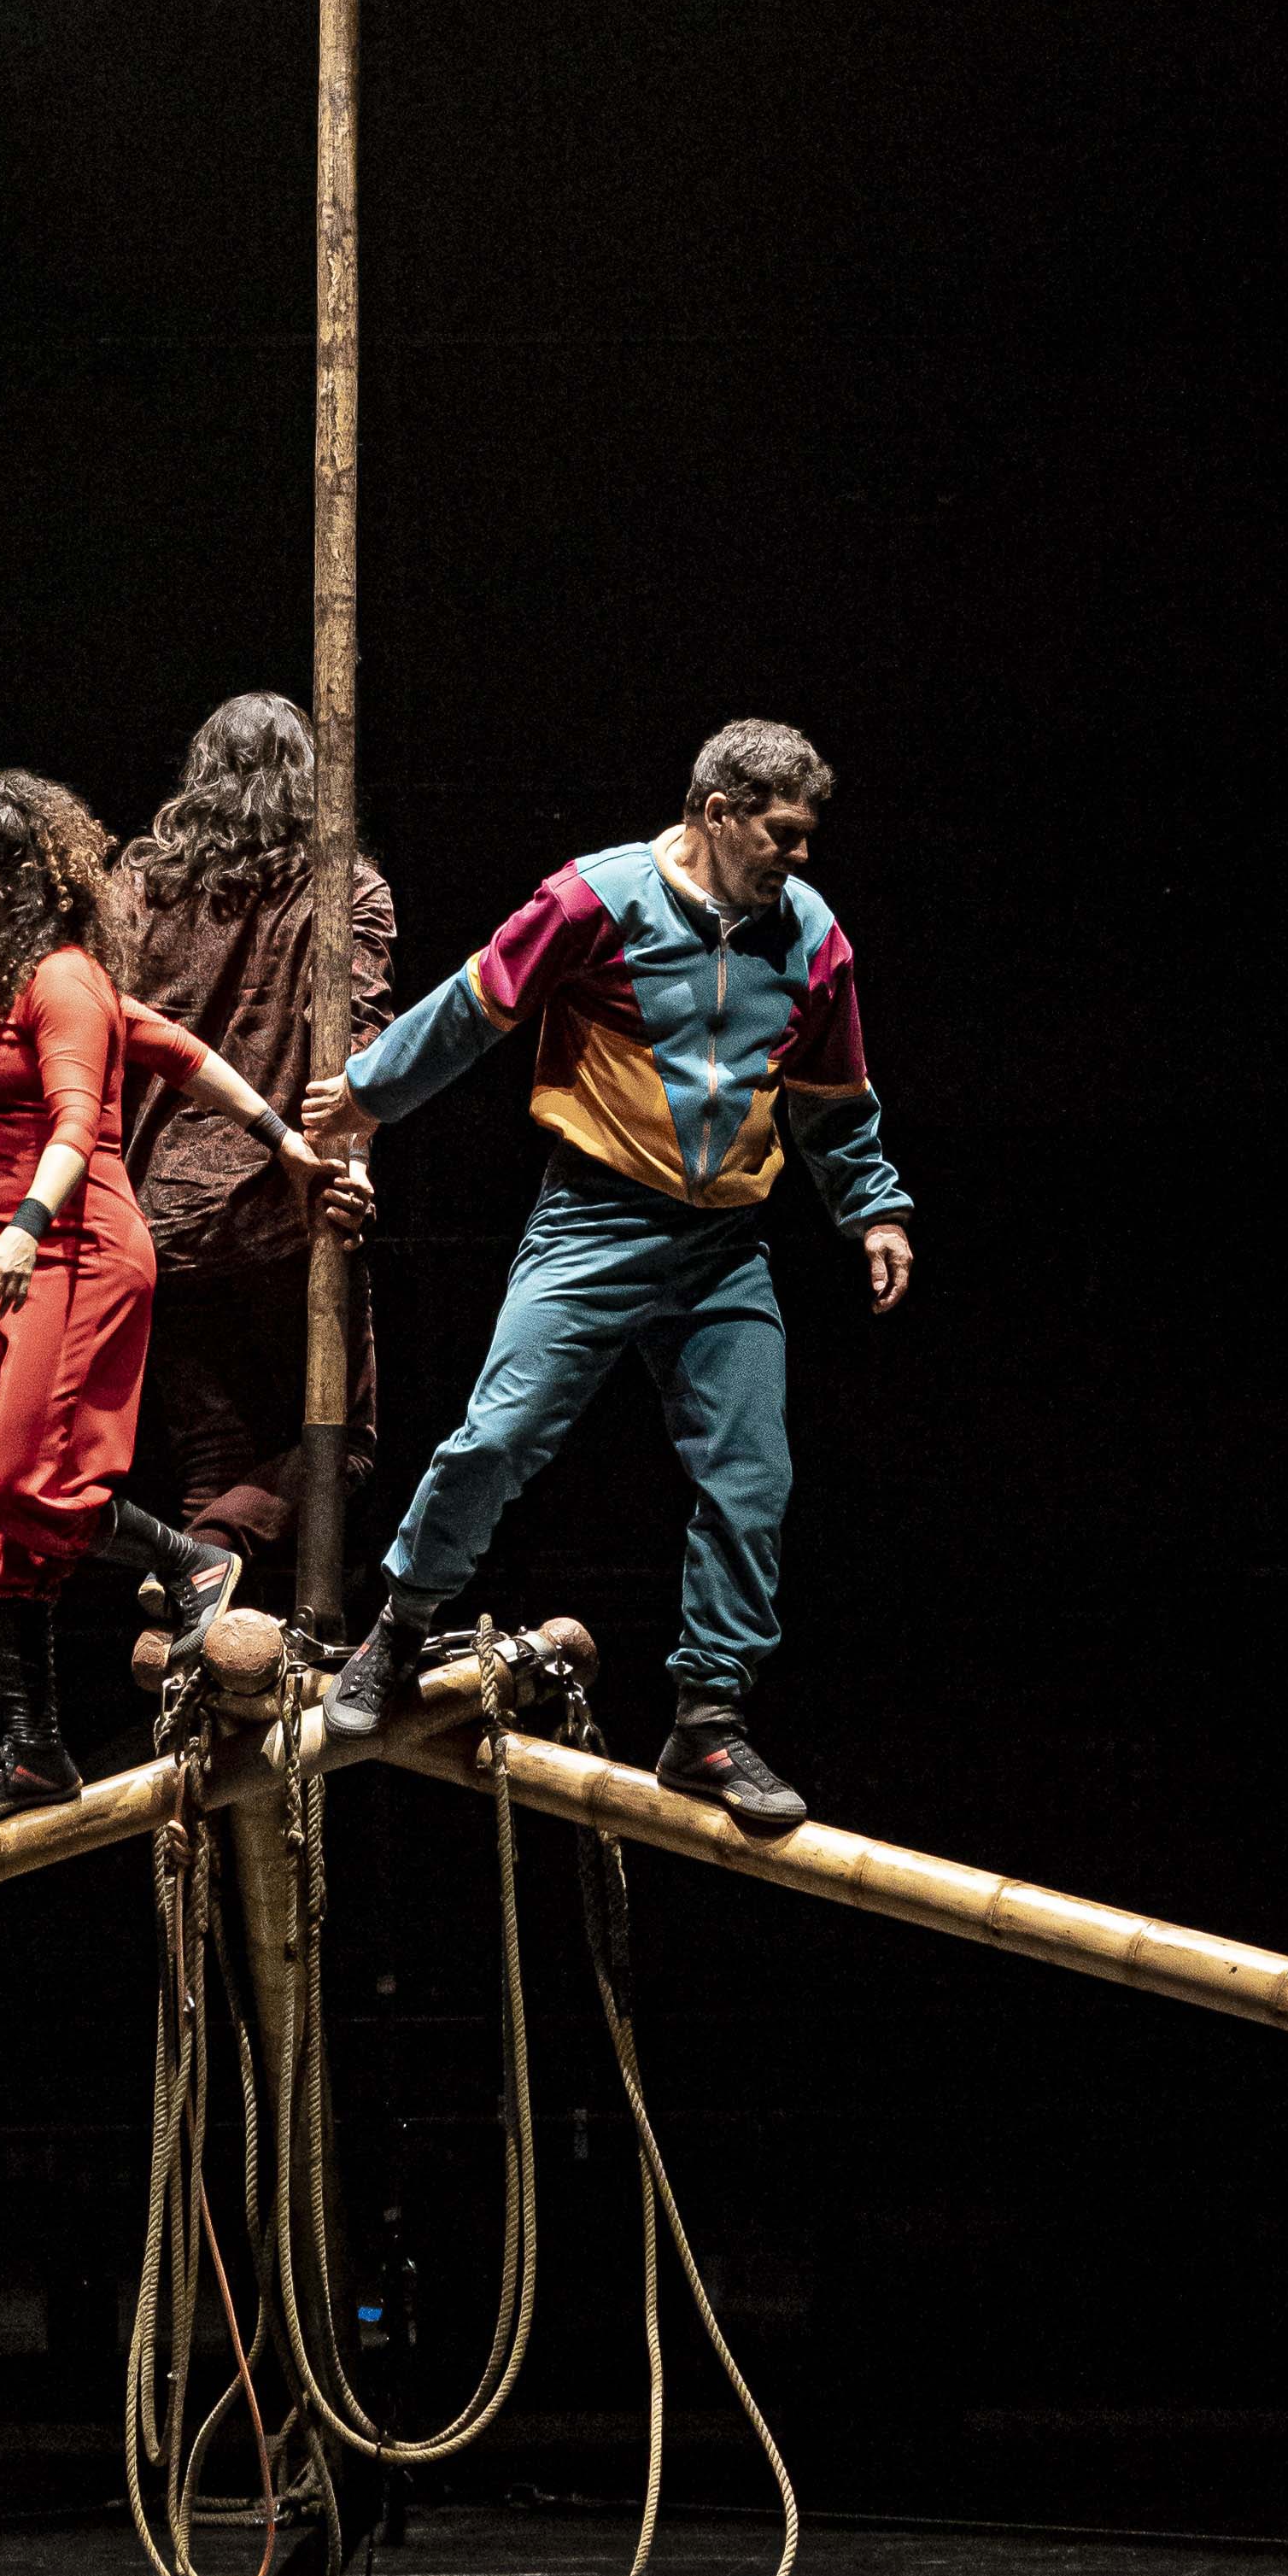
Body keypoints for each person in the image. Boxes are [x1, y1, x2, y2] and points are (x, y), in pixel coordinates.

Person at [302, 717, 913, 1832]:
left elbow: (833, 1096)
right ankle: (398, 1629)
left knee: (752, 1477)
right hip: (595, 1218)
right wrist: (368, 1091)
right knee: (499, 1434)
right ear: (716, 812)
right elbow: (475, 1004)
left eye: (806, 837)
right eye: (780, 833)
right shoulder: (597, 898)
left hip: (722, 1246)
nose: (798, 855)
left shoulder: (812, 935)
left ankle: (707, 1719)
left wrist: (871, 1207)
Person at [0, 766, 358, 1828]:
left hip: (68, 1251)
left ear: (21, 883)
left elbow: (78, 1122)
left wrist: (25, 1228)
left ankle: (192, 1559)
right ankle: (34, 1749)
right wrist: (284, 1142)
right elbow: (181, 1050)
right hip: (15, 1260)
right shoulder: (44, 987)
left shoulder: (62, 981)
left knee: (28, 1484)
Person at [107, 691, 395, 1573]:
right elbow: (359, 1042)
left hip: (153, 1217)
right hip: (282, 1209)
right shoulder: (343, 889)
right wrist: (351, 1167)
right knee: (340, 1443)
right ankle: (209, 1556)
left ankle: (194, 1592)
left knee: (212, 1454)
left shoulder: (138, 886)